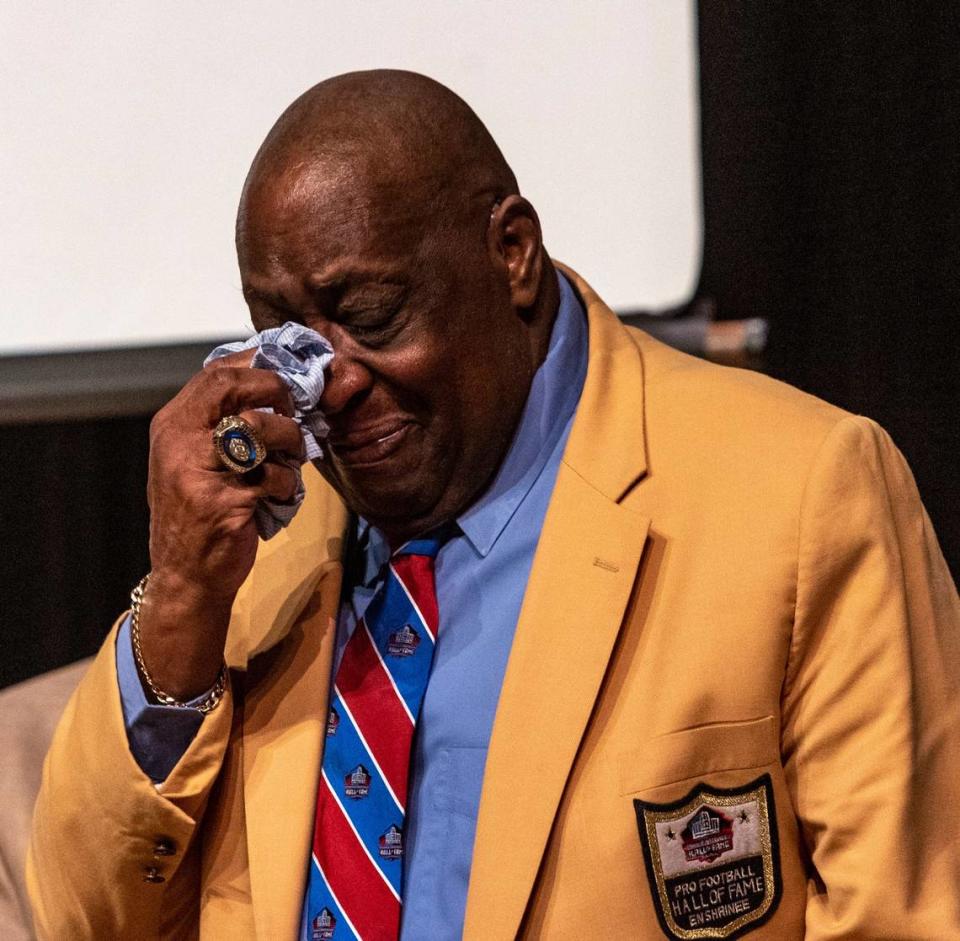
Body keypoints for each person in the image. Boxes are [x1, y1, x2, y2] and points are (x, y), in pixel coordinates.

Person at [28, 70, 960, 940]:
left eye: (375, 315)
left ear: (511, 252)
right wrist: (184, 600)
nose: (328, 386)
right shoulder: (255, 536)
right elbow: (82, 922)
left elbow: (904, 912)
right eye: (286, 340)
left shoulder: (801, 492)